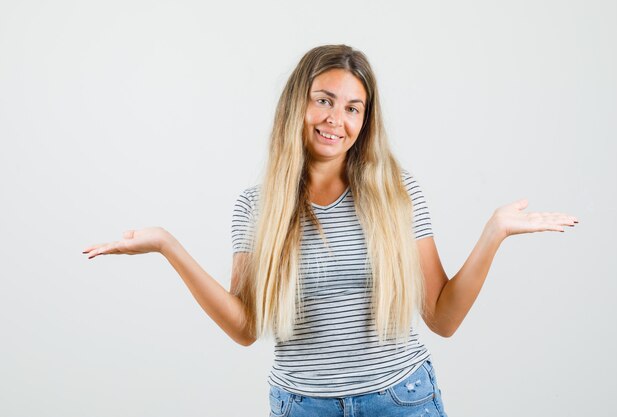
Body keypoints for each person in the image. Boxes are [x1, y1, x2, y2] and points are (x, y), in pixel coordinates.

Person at [83, 44, 579, 417]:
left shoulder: (397, 193)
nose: (335, 120)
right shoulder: (256, 207)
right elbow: (245, 327)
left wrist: (493, 233)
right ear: (298, 103)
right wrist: (169, 247)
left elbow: (442, 317)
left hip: (400, 399)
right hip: (301, 405)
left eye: (352, 108)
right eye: (324, 100)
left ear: (365, 119)